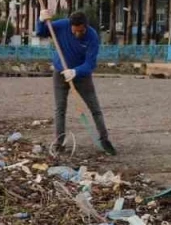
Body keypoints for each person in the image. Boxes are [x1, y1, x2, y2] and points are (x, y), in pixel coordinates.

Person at [36, 9, 115, 155]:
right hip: (60, 74)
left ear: (85, 25)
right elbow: (41, 32)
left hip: (82, 77)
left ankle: (104, 139)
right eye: (75, 31)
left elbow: (90, 64)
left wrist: (75, 72)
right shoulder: (62, 26)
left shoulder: (92, 36)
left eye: (81, 31)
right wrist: (41, 20)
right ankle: (59, 143)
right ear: (70, 25)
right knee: (60, 109)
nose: (78, 34)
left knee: (95, 109)